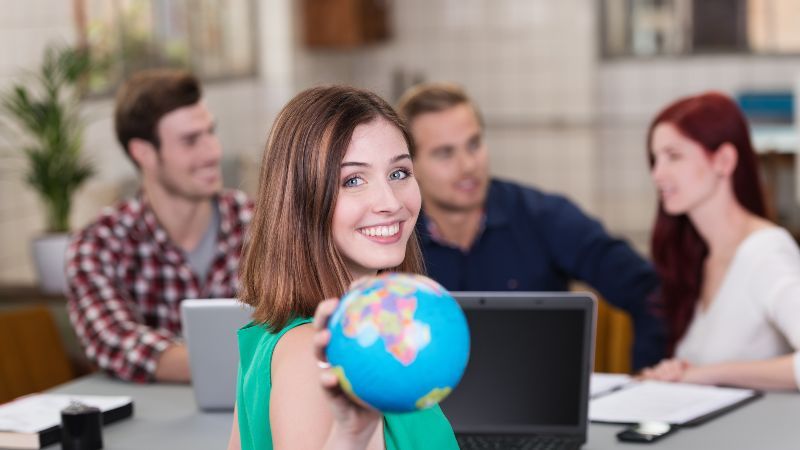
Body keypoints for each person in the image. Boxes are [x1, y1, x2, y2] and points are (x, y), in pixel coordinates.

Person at [227, 86, 458, 450]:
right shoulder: (311, 357)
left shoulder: (351, 336)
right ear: (301, 202)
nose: (389, 202)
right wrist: (350, 436)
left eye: (399, 172)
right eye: (353, 180)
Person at [397, 82, 665, 370]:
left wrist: (647, 375)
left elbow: (650, 291)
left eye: (474, 144)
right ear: (412, 166)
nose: (468, 165)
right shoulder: (393, 238)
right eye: (445, 153)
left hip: (540, 408)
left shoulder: (544, 216)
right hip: (426, 409)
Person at [65, 69, 253, 383]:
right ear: (144, 153)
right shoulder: (99, 245)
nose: (213, 152)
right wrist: (259, 358)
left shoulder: (261, 225)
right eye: (191, 140)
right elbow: (115, 342)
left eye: (211, 132)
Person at [639, 92, 800, 391]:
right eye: (655, 158)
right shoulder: (699, 258)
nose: (657, 174)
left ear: (723, 161)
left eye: (673, 156)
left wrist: (708, 373)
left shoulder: (765, 252)